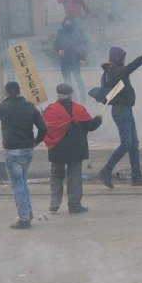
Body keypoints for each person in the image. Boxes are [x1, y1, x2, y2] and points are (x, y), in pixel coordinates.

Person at [0, 82, 47, 229]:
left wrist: (1, 105)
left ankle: (24, 218)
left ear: (6, 92)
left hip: (13, 152)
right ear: (19, 91)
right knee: (23, 182)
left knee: (18, 185)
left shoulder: (3, 107)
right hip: (27, 150)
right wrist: (36, 141)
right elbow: (43, 127)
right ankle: (28, 212)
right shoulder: (29, 106)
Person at [97, 46, 142, 189]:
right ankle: (106, 171)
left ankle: (137, 176)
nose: (123, 59)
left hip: (125, 109)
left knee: (133, 144)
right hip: (121, 110)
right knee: (126, 144)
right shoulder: (113, 71)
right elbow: (128, 69)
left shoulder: (113, 70)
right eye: (122, 57)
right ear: (117, 58)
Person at [43, 83, 102, 214]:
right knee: (74, 177)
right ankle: (74, 205)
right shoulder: (79, 109)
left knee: (56, 175)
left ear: (58, 94)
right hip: (76, 149)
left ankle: (54, 203)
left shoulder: (51, 110)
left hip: (57, 148)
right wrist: (99, 119)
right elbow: (91, 125)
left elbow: (45, 127)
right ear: (71, 95)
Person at [53, 17, 89, 103]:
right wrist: (59, 50)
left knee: (78, 80)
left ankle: (83, 99)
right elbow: (55, 44)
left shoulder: (77, 33)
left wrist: (83, 58)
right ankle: (73, 99)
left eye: (69, 22)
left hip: (75, 60)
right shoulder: (60, 32)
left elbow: (83, 46)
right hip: (64, 61)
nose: (68, 24)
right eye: (66, 22)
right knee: (67, 81)